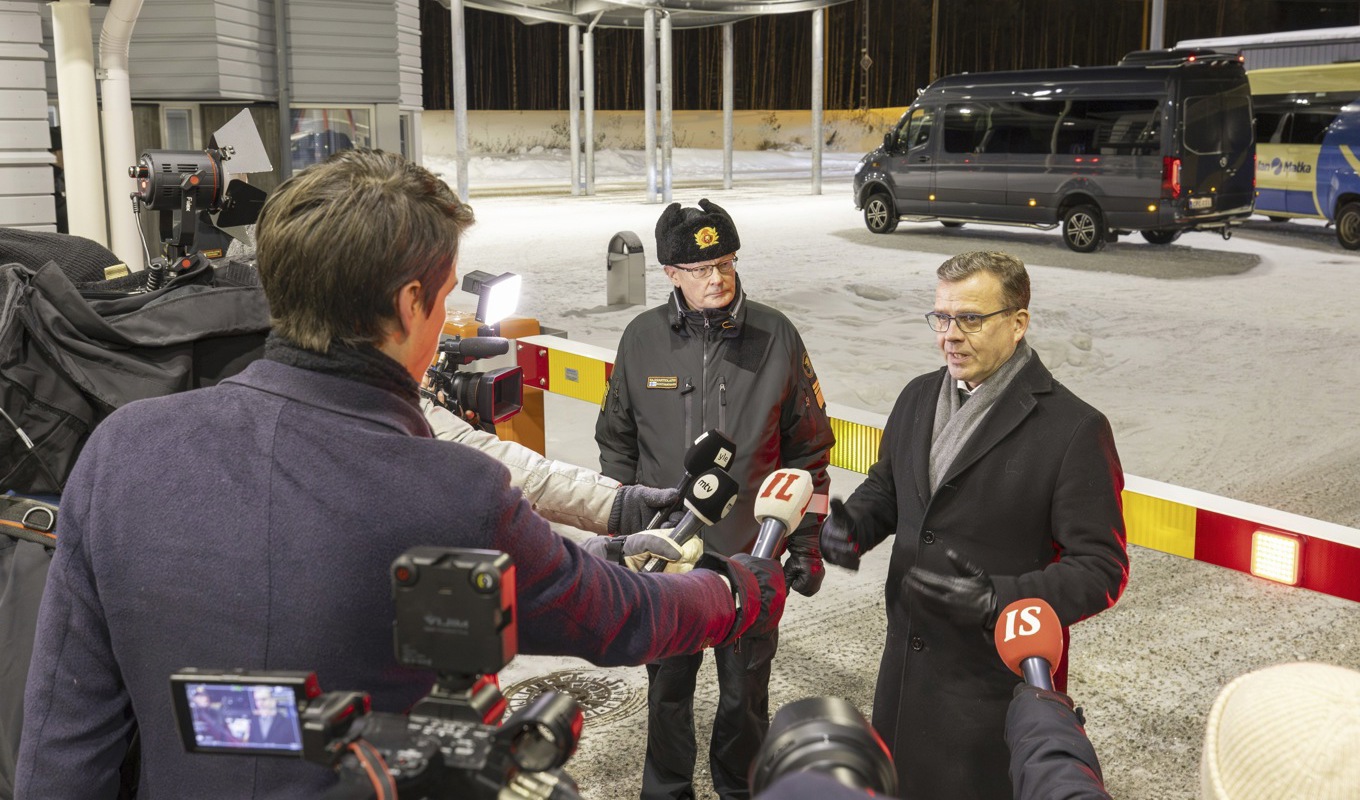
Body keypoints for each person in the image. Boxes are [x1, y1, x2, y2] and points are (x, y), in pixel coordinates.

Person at [16, 149, 788, 799]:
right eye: (446, 292)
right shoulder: (447, 491)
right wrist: (741, 588)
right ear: (413, 299)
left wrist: (608, 540)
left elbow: (64, 740)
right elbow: (624, 618)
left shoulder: (124, 450)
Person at [819, 250, 1128, 799]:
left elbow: (1101, 569)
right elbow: (890, 487)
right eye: (941, 318)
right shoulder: (918, 395)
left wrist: (1000, 599)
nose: (950, 336)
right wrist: (856, 526)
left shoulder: (1074, 429)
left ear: (1018, 322)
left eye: (970, 319)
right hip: (904, 682)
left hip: (994, 693)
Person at [596, 198, 836, 800]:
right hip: (667, 556)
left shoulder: (776, 334)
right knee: (668, 692)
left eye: (726, 262)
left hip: (749, 556)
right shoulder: (641, 339)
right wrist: (626, 528)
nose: (718, 277)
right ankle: (668, 791)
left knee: (745, 697)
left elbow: (809, 450)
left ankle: (740, 790)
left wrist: (804, 540)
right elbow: (616, 443)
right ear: (671, 273)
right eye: (702, 268)